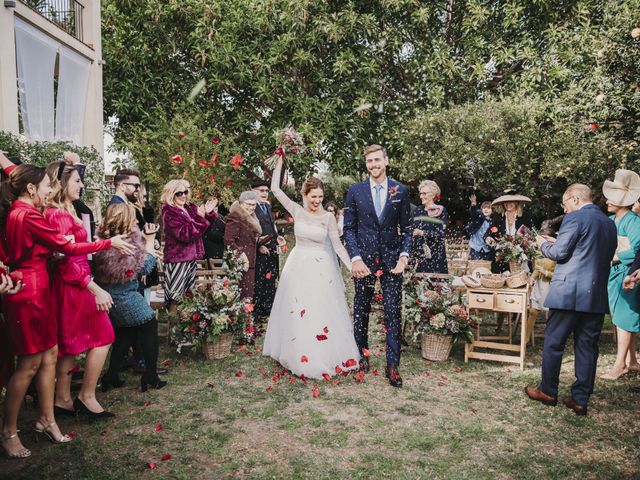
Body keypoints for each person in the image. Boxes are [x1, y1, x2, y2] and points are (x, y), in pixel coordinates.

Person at [0, 162, 131, 458]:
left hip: (39, 286)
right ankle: (8, 431)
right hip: (29, 291)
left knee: (49, 357)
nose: (50, 190)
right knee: (29, 365)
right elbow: (68, 248)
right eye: (47, 185)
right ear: (31, 188)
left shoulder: (20, 211)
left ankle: (47, 419)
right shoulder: (28, 214)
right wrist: (108, 242)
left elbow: (47, 248)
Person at [263, 157, 360, 379]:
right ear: (304, 195)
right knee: (297, 309)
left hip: (321, 268)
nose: (317, 201)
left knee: (319, 308)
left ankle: (320, 353)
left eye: (320, 197)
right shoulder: (297, 211)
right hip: (298, 265)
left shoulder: (328, 218)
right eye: (313, 196)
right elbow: (275, 189)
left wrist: (352, 264)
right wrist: (280, 160)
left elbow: (337, 246)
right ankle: (298, 352)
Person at [525, 184, 617, 416]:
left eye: (565, 205)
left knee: (554, 343)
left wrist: (543, 244)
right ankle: (580, 400)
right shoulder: (609, 224)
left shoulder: (575, 218)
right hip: (595, 295)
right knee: (587, 347)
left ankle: (548, 391)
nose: (565, 210)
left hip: (568, 293)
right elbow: (590, 253)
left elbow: (559, 254)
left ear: (575, 200)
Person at [43, 161, 117, 419]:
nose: (82, 185)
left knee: (69, 344)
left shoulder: (65, 211)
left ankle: (62, 399)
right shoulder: (58, 215)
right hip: (73, 284)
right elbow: (65, 260)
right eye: (76, 181)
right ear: (62, 185)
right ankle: (86, 396)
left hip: (72, 283)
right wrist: (94, 287)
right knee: (105, 335)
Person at [343, 144, 413, 388]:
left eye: (377, 160)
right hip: (364, 261)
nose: (373, 165)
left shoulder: (400, 191)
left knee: (393, 311)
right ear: (366, 164)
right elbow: (349, 229)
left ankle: (392, 364)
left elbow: (407, 229)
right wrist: (355, 258)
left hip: (393, 262)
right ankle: (361, 355)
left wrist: (404, 256)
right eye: (369, 161)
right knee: (361, 309)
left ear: (386, 161)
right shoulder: (355, 191)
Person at [94, 203, 166, 392]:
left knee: (126, 333)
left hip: (110, 295)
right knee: (149, 324)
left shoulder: (104, 239)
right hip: (124, 296)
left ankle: (111, 376)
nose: (135, 221)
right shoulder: (121, 245)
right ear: (125, 220)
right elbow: (143, 268)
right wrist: (149, 241)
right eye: (132, 218)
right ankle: (151, 375)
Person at [600, 169, 640, 380]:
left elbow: (637, 249)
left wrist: (615, 256)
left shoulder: (633, 221)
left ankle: (619, 365)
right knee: (621, 318)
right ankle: (632, 361)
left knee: (624, 319)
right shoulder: (613, 219)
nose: (607, 200)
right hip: (614, 273)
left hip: (628, 274)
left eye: (612, 197)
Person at [161, 179, 217, 313]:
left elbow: (203, 231)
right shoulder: (169, 212)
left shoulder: (190, 208)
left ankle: (186, 329)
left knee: (190, 296)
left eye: (185, 192)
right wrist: (200, 217)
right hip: (177, 261)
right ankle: (173, 329)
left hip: (191, 259)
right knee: (176, 297)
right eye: (179, 193)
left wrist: (208, 215)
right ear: (171, 194)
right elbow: (184, 235)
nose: (183, 196)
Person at [251, 179, 282, 323]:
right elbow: (247, 230)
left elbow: (272, 228)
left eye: (266, 191)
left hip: (272, 250)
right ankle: (255, 313)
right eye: (261, 191)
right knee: (259, 282)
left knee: (271, 280)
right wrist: (258, 245)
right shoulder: (250, 208)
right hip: (259, 251)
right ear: (253, 191)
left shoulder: (266, 207)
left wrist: (278, 239)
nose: (264, 193)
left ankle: (267, 309)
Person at [224, 191, 262, 300]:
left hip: (250, 262)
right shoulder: (235, 217)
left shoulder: (252, 218)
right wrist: (241, 255)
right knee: (240, 297)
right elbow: (228, 241)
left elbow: (248, 240)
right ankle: (242, 317)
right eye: (248, 204)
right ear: (241, 204)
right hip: (239, 264)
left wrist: (261, 241)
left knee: (248, 296)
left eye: (253, 204)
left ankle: (246, 317)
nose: (251, 207)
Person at [484, 190, 532, 272]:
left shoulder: (525, 216)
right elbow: (491, 230)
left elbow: (528, 234)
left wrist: (518, 244)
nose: (508, 204)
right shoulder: (498, 216)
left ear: (516, 202)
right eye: (506, 201)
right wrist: (488, 237)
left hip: (519, 258)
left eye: (511, 202)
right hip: (500, 258)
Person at [525, 226, 557, 345]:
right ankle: (526, 339)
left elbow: (559, 274)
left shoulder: (557, 253)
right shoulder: (539, 252)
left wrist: (546, 273)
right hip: (539, 286)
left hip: (551, 286)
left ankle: (551, 339)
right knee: (533, 312)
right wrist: (532, 278)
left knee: (550, 315)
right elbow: (537, 269)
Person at [411, 179, 449, 274]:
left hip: (435, 255)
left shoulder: (440, 210)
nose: (421, 196)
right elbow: (412, 228)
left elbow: (440, 234)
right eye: (420, 193)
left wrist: (423, 233)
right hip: (419, 254)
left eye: (424, 193)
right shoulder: (418, 210)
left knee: (435, 285)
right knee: (418, 285)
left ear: (433, 194)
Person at [464, 195, 493, 261]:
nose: (486, 209)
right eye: (484, 208)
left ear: (492, 211)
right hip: (475, 246)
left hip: (487, 248)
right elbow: (473, 212)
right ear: (481, 210)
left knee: (487, 266)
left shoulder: (493, 222)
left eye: (488, 208)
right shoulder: (478, 218)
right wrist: (473, 204)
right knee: (475, 265)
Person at [203, 195, 226, 260]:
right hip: (210, 251)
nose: (214, 210)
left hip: (220, 250)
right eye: (212, 207)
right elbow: (210, 233)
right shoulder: (204, 217)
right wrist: (225, 237)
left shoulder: (221, 217)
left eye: (216, 207)